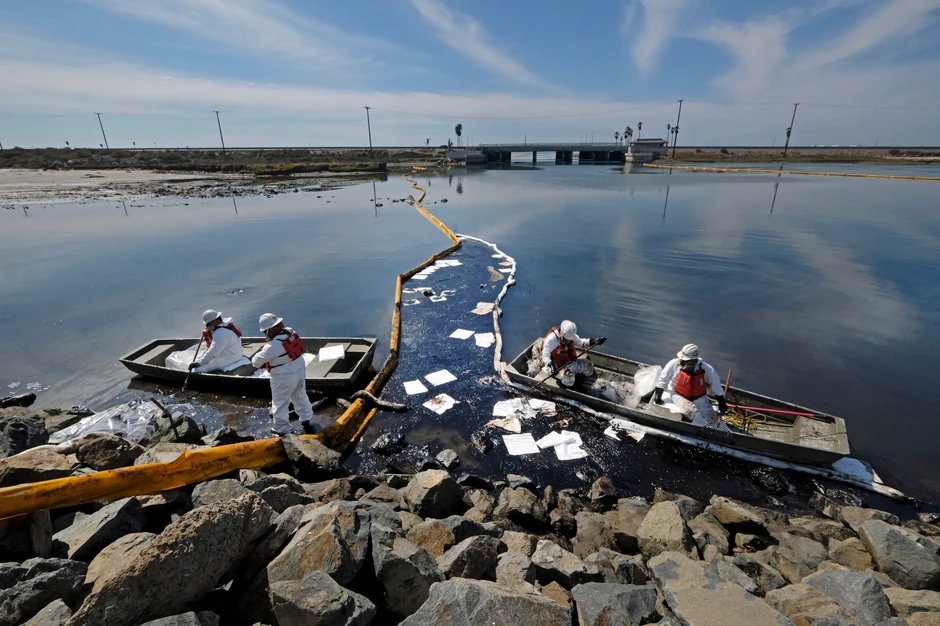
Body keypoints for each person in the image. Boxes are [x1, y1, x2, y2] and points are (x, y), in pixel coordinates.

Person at [251, 313, 314, 435]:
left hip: (283, 376)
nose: (265, 334)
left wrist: (263, 350)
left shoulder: (272, 347)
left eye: (265, 332)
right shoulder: (291, 333)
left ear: (270, 330)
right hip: (299, 369)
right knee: (300, 395)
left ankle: (282, 429)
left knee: (280, 403)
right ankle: (306, 420)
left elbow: (255, 362)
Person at [650, 343, 729, 429]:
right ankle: (701, 429)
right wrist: (658, 394)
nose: (682, 361)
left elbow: (716, 385)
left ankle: (718, 430)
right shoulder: (673, 364)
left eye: (686, 360)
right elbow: (662, 380)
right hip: (678, 394)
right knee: (692, 412)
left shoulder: (706, 368)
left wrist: (721, 402)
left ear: (695, 360)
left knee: (711, 417)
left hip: (699, 397)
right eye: (682, 359)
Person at [540, 320, 606, 387]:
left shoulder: (571, 336)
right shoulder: (551, 339)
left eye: (569, 340)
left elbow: (581, 343)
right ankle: (566, 388)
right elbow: (545, 355)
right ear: (561, 333)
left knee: (588, 365)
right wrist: (551, 365)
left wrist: (594, 341)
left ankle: (589, 384)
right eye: (566, 340)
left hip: (568, 362)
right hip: (555, 367)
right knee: (569, 380)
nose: (567, 342)